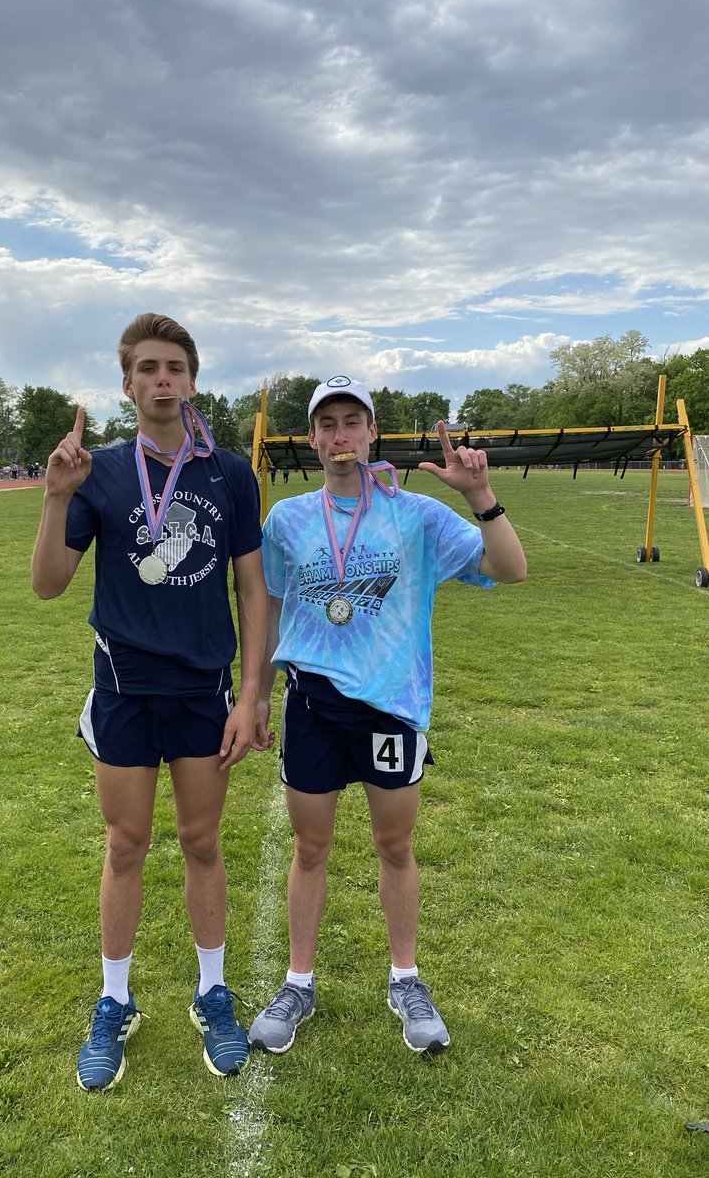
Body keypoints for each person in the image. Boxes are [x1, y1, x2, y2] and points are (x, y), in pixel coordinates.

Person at [248, 375, 526, 1056]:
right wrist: (256, 693)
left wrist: (480, 496)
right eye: (327, 424)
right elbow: (271, 606)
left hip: (391, 707)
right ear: (311, 438)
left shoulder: (417, 516)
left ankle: (406, 979)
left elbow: (511, 568)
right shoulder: (287, 520)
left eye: (353, 422)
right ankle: (298, 983)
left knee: (395, 846)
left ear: (373, 432)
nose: (340, 436)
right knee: (310, 849)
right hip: (312, 705)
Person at [31, 312, 268, 1092]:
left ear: (192, 381)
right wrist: (56, 498)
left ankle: (212, 992)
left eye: (175, 368)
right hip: (125, 690)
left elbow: (252, 590)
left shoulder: (229, 474)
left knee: (201, 841)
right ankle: (115, 1002)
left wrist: (253, 692)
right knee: (126, 844)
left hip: (203, 691)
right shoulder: (98, 471)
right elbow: (49, 585)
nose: (162, 380)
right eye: (147, 369)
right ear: (127, 385)